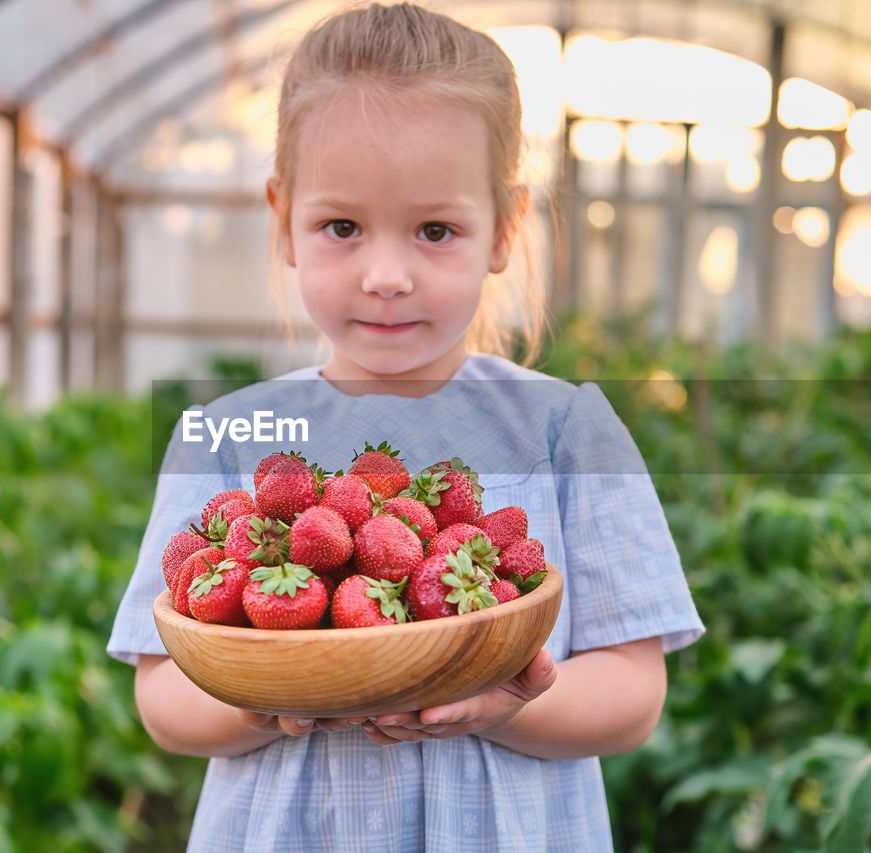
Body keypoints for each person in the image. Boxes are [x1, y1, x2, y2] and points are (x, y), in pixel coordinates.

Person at [107, 3, 705, 850]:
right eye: (341, 227)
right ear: (283, 221)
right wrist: (271, 689)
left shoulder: (566, 430)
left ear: (503, 227)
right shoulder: (231, 435)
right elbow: (163, 690)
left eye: (435, 230)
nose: (386, 275)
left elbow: (633, 693)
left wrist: (501, 702)